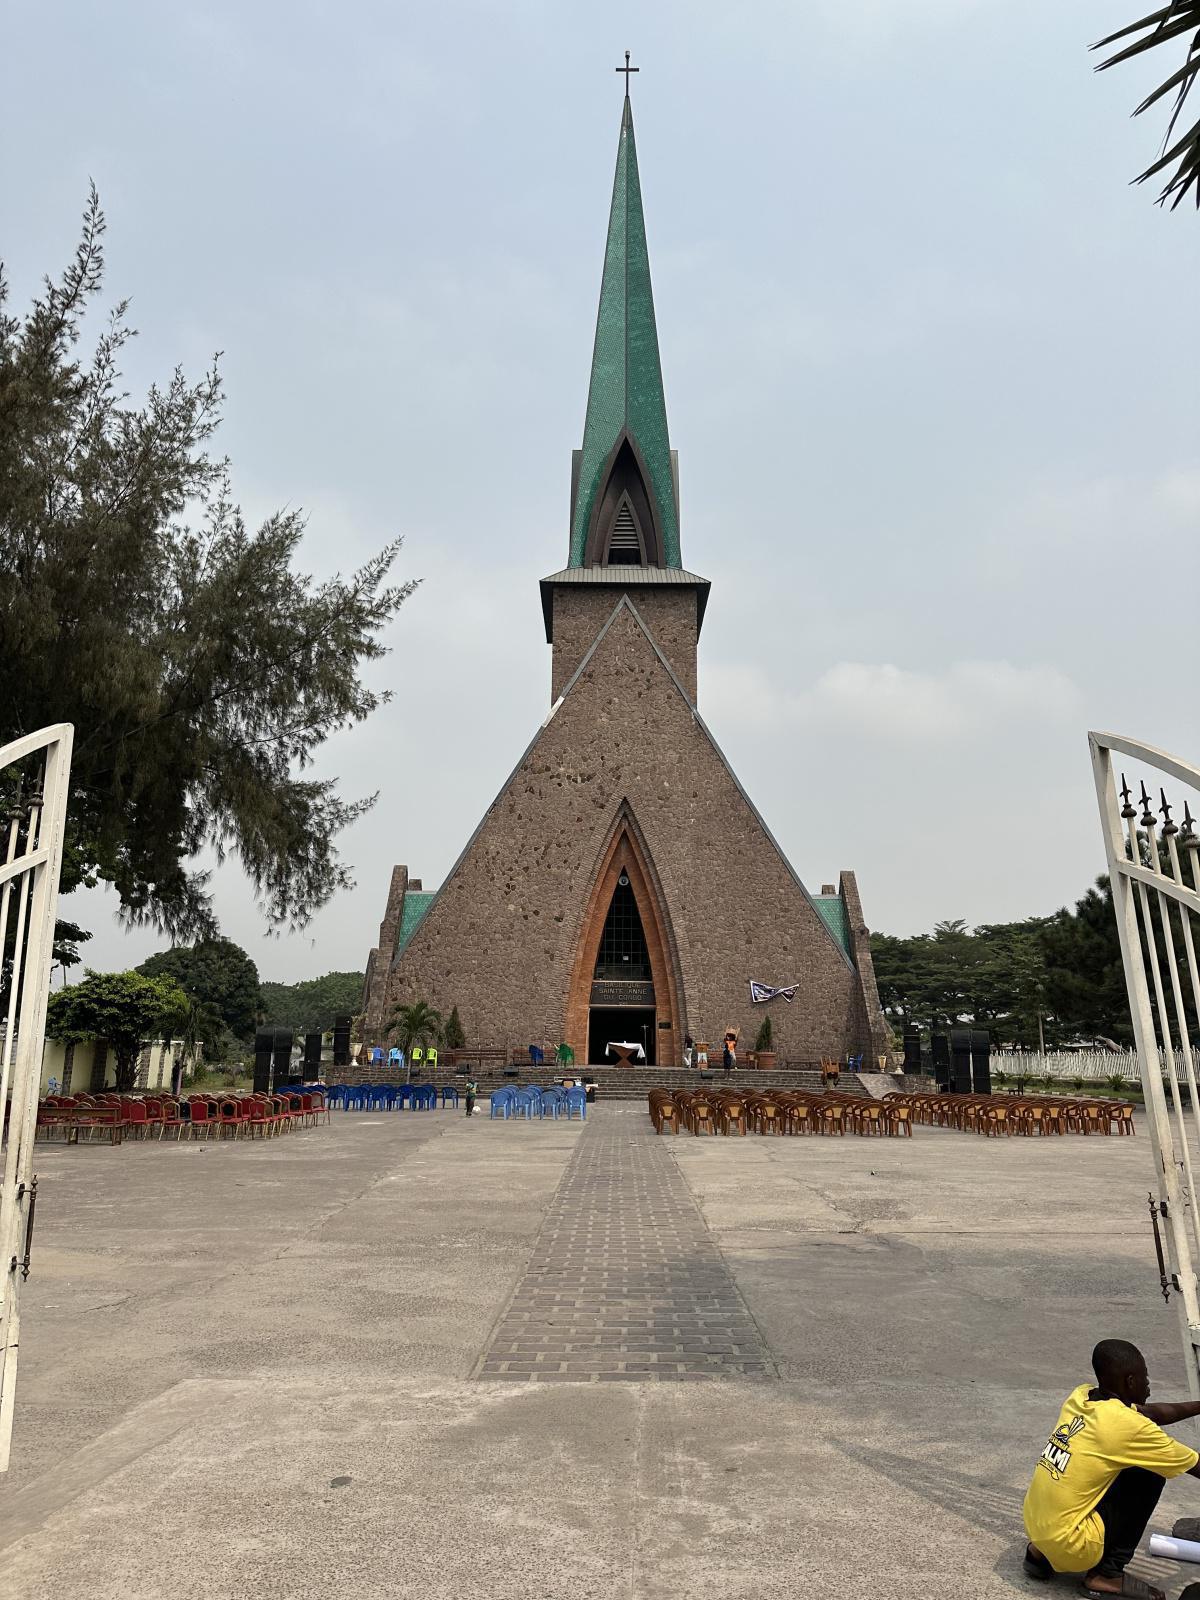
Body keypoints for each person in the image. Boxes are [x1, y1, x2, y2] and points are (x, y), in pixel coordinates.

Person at [1024, 1338, 1200, 1600]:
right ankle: (1106, 1575)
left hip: (1037, 1529)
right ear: (1130, 1381)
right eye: (1145, 1377)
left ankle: (1041, 1555)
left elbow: (1154, 1413)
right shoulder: (1129, 1428)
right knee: (1148, 1473)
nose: (1149, 1385)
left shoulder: (1082, 1396)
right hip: (1072, 1546)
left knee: (1083, 1475)